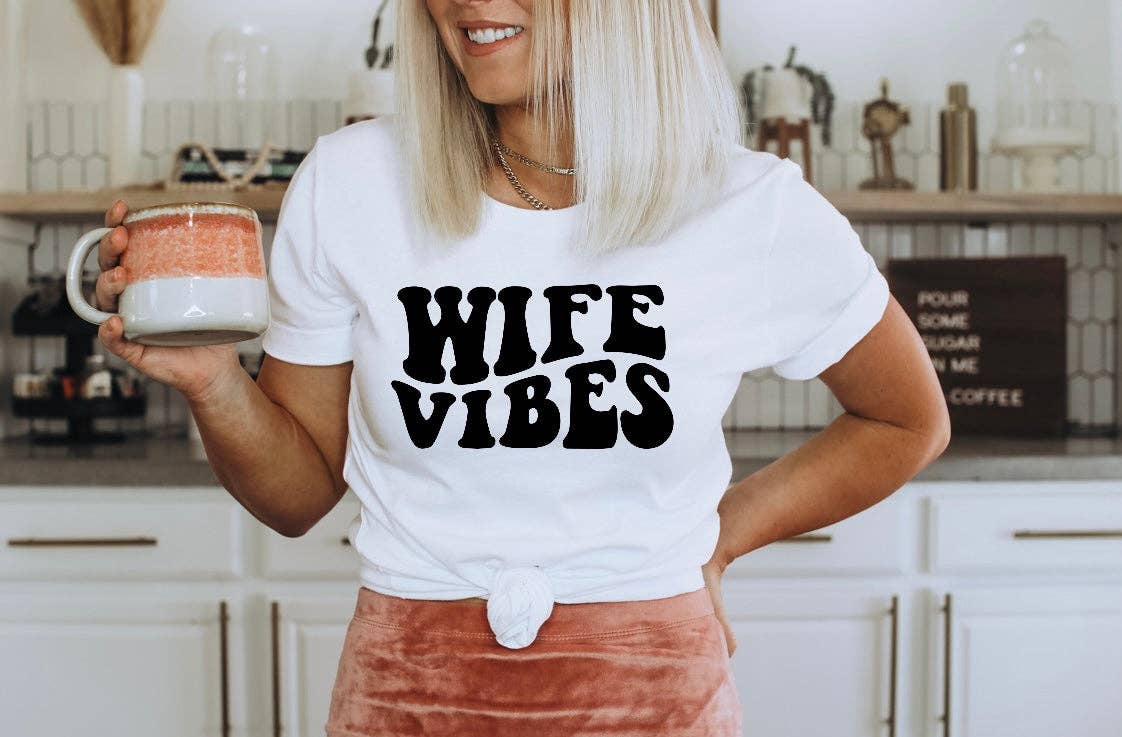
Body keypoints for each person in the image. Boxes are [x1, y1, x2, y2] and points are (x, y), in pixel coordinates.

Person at [93, 1, 950, 734]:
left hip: (653, 695)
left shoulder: (746, 205)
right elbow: (297, 494)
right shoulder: (351, 183)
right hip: (405, 692)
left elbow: (908, 417)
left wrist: (721, 536)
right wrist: (214, 381)